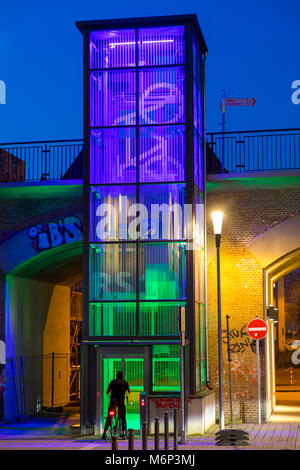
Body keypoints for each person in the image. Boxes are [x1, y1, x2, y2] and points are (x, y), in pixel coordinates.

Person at [102, 370, 130, 439]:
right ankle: (124, 433)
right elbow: (128, 393)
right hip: (121, 401)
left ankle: (104, 433)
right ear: (122, 376)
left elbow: (107, 392)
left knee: (109, 416)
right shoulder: (125, 383)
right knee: (123, 417)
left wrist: (111, 396)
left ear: (116, 376)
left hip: (113, 401)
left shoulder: (113, 382)